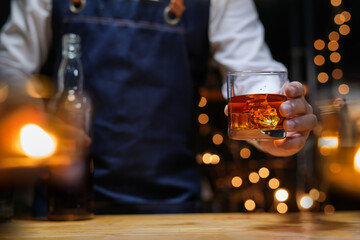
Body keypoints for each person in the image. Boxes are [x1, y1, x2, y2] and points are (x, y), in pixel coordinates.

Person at [0, 0, 317, 214]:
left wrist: (279, 120)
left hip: (175, 208)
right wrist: (30, 116)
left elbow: (252, 73)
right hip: (65, 206)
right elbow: (8, 65)